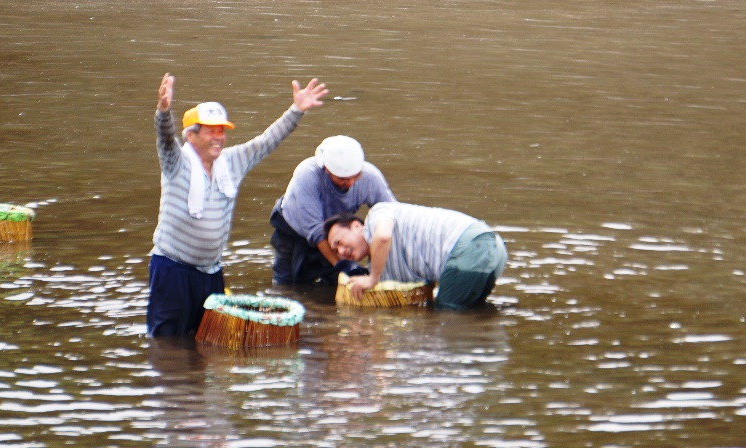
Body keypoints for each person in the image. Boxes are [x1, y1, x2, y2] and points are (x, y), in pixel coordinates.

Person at [148, 72, 328, 337]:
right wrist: (163, 111)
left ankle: (195, 378)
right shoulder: (177, 163)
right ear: (191, 135)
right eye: (211, 131)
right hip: (173, 268)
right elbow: (165, 139)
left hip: (211, 272)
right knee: (168, 341)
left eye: (221, 131)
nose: (218, 137)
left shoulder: (231, 162)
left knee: (209, 339)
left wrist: (296, 110)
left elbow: (265, 142)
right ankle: (171, 379)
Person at [323, 201, 507, 310]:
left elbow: (384, 236)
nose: (340, 251)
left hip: (470, 246)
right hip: (493, 249)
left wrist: (373, 279)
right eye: (335, 251)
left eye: (339, 242)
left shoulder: (377, 214)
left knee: (446, 317)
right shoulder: (379, 263)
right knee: (475, 313)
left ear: (356, 226)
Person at [270, 135, 397, 284]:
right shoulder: (307, 175)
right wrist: (342, 265)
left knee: (335, 284)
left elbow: (392, 213)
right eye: (343, 179)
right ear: (326, 170)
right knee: (288, 283)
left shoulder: (370, 177)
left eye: (355, 177)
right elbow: (315, 231)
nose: (350, 183)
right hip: (293, 231)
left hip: (336, 236)